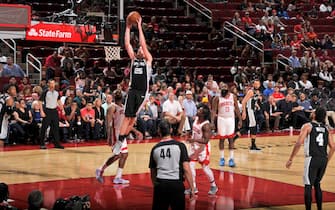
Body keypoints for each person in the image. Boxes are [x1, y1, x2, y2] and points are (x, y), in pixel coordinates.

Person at [113, 14, 153, 154]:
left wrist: (140, 27)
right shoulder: (133, 59)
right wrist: (128, 27)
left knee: (132, 120)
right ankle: (119, 142)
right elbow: (127, 44)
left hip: (143, 93)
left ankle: (122, 139)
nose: (140, 50)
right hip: (132, 90)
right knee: (127, 118)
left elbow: (142, 44)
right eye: (139, 49)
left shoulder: (148, 60)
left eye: (142, 49)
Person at [286, 107, 335, 210]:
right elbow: (333, 147)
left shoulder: (308, 126)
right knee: (317, 184)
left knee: (308, 185)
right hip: (323, 159)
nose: (312, 112)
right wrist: (327, 159)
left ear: (315, 115)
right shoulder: (326, 129)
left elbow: (299, 143)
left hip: (312, 159)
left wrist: (291, 158)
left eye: (313, 111)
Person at [149, 119, 194, 210]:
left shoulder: (155, 148)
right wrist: (192, 187)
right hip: (176, 184)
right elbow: (186, 168)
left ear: (159, 132)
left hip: (161, 184)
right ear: (171, 130)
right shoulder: (180, 146)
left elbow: (153, 172)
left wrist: (156, 186)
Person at [96, 90, 130, 184]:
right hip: (116, 133)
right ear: (114, 97)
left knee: (124, 154)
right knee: (119, 154)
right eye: (116, 93)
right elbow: (108, 123)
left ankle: (117, 176)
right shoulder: (112, 107)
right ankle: (101, 170)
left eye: (120, 93)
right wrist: (109, 136)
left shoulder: (124, 107)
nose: (119, 94)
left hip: (122, 133)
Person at [184, 104, 218, 195]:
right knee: (190, 167)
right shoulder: (196, 119)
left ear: (203, 114)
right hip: (193, 146)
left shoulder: (206, 125)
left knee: (205, 168)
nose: (198, 110)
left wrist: (193, 139)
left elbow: (206, 140)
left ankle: (214, 185)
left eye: (200, 110)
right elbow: (195, 131)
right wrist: (189, 133)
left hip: (203, 148)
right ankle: (193, 187)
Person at [212, 83, 242, 167]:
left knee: (231, 139)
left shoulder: (233, 97)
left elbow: (236, 108)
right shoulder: (217, 98)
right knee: (221, 139)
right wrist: (212, 122)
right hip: (221, 119)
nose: (223, 89)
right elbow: (213, 111)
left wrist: (240, 119)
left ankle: (231, 158)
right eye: (222, 87)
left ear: (228, 88)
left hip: (231, 119)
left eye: (225, 87)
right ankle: (222, 158)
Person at [39, 79, 64, 149]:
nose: (53, 85)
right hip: (47, 110)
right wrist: (41, 111)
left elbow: (59, 101)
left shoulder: (57, 92)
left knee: (56, 128)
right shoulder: (45, 92)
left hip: (54, 111)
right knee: (44, 127)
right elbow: (40, 102)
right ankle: (42, 144)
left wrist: (62, 109)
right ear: (48, 84)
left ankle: (57, 143)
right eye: (51, 84)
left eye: (54, 84)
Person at [241, 79, 261, 150]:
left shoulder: (257, 92)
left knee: (246, 129)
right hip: (249, 111)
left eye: (258, 84)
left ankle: (233, 139)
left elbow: (252, 101)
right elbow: (243, 102)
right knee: (253, 128)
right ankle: (253, 145)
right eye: (255, 84)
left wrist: (256, 105)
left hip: (252, 111)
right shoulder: (250, 91)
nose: (256, 85)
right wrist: (244, 112)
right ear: (253, 85)